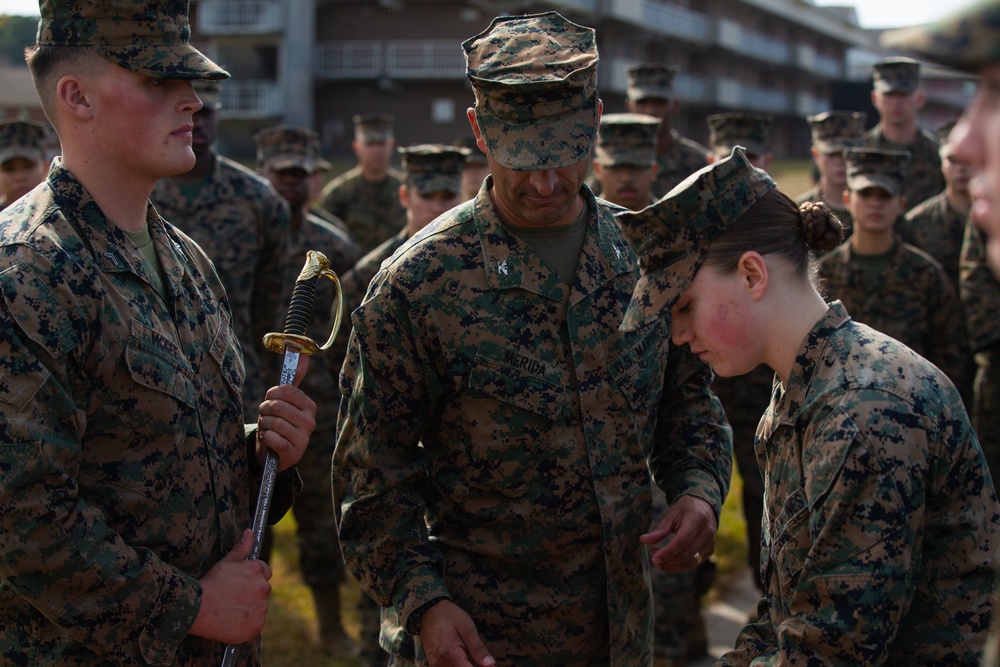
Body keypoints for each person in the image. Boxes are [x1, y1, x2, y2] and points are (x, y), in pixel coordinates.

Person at [333, 12, 732, 666]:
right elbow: (371, 482)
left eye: (563, 153)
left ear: (597, 122)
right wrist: (423, 601)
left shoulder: (650, 259)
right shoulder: (417, 285)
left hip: (623, 633)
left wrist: (698, 488)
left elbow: (689, 403)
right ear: (478, 131)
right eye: (522, 157)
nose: (545, 183)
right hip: (482, 642)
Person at [0, 0, 318, 664]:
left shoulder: (182, 258)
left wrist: (265, 454)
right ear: (75, 96)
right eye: (159, 82)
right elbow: (22, 517)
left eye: (191, 81)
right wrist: (192, 606)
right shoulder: (25, 271)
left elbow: (173, 456)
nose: (194, 102)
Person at [616, 146, 1000, 665]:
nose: (679, 334)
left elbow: (831, 651)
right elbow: (786, 611)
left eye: (685, 306)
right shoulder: (802, 391)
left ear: (753, 275)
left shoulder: (864, 411)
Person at [333, 142, 469, 666]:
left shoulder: (474, 269)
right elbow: (347, 388)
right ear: (405, 194)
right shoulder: (374, 278)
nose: (436, 206)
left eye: (446, 193)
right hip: (390, 474)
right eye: (426, 194)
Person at [252, 124, 361, 654]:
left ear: (316, 179)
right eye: (282, 174)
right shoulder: (245, 235)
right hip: (251, 396)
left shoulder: (335, 244)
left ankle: (331, 623)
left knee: (321, 515)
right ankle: (249, 618)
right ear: (265, 175)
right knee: (250, 514)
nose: (292, 185)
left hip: (321, 405)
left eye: (302, 175)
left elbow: (351, 333)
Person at [151, 79, 291, 422]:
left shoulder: (258, 199)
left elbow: (271, 303)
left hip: (236, 379)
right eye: (191, 113)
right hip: (155, 379)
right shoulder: (141, 190)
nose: (198, 121)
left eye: (207, 112)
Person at [819, 147, 971, 399]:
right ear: (847, 199)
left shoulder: (927, 276)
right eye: (866, 193)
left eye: (885, 195)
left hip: (912, 415)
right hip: (838, 415)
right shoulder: (825, 275)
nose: (875, 203)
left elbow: (951, 359)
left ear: (901, 204)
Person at [703, 111, 775, 604]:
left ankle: (767, 595)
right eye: (728, 157)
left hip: (758, 387)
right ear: (709, 161)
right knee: (694, 493)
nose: (738, 168)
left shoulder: (779, 227)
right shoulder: (691, 226)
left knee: (764, 495)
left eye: (749, 159)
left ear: (766, 163)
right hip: (701, 381)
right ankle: (690, 603)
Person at [317, 113, 407, 255]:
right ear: (357, 147)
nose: (377, 151)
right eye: (370, 144)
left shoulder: (406, 191)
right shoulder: (339, 193)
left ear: (391, 145)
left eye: (381, 144)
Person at [864, 57, 945, 213]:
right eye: (889, 94)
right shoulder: (859, 152)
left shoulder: (939, 155)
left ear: (920, 98)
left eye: (904, 94)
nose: (896, 102)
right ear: (875, 98)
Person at [896, 120, 969, 288]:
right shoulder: (916, 223)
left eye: (967, 159)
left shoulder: (991, 220)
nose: (961, 168)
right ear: (941, 162)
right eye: (953, 160)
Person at [626, 63, 709, 196]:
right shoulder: (616, 161)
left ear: (675, 106)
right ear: (629, 106)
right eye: (642, 102)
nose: (651, 110)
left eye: (659, 102)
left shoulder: (699, 163)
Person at [794, 110, 866, 237]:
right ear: (816, 155)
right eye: (831, 154)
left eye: (846, 153)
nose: (840, 162)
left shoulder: (871, 212)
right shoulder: (798, 212)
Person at [591, 112, 660, 211]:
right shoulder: (580, 223)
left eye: (637, 167)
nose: (626, 178)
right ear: (598, 169)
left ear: (654, 170)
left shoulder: (673, 223)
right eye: (616, 168)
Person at [0, 118, 50, 211]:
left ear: (45, 167)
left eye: (28, 166)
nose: (19, 177)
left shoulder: (64, 216)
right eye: (9, 169)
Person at [452, 135, 490, 202]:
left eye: (480, 166)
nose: (473, 172)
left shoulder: (506, 209)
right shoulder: (443, 208)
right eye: (466, 166)